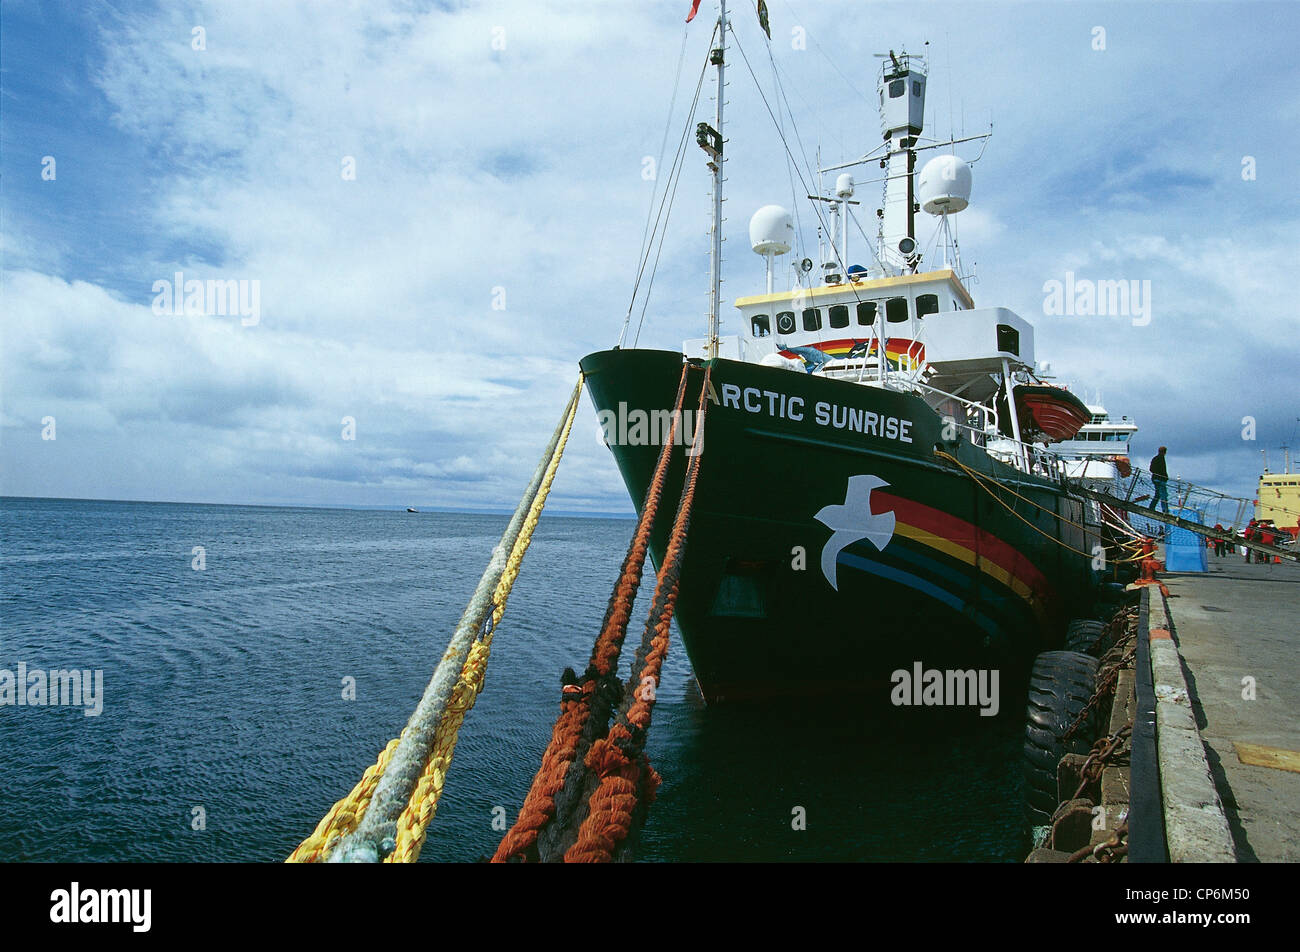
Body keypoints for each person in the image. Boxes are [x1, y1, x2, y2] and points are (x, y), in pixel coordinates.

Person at [1149, 446, 1170, 514]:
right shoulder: (1161, 458)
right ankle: (1165, 510)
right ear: (1165, 452)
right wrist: (1163, 476)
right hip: (1160, 479)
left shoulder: (1155, 458)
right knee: (1163, 495)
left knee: (1158, 494)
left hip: (1155, 478)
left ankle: (1152, 507)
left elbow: (1151, 469)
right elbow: (1162, 470)